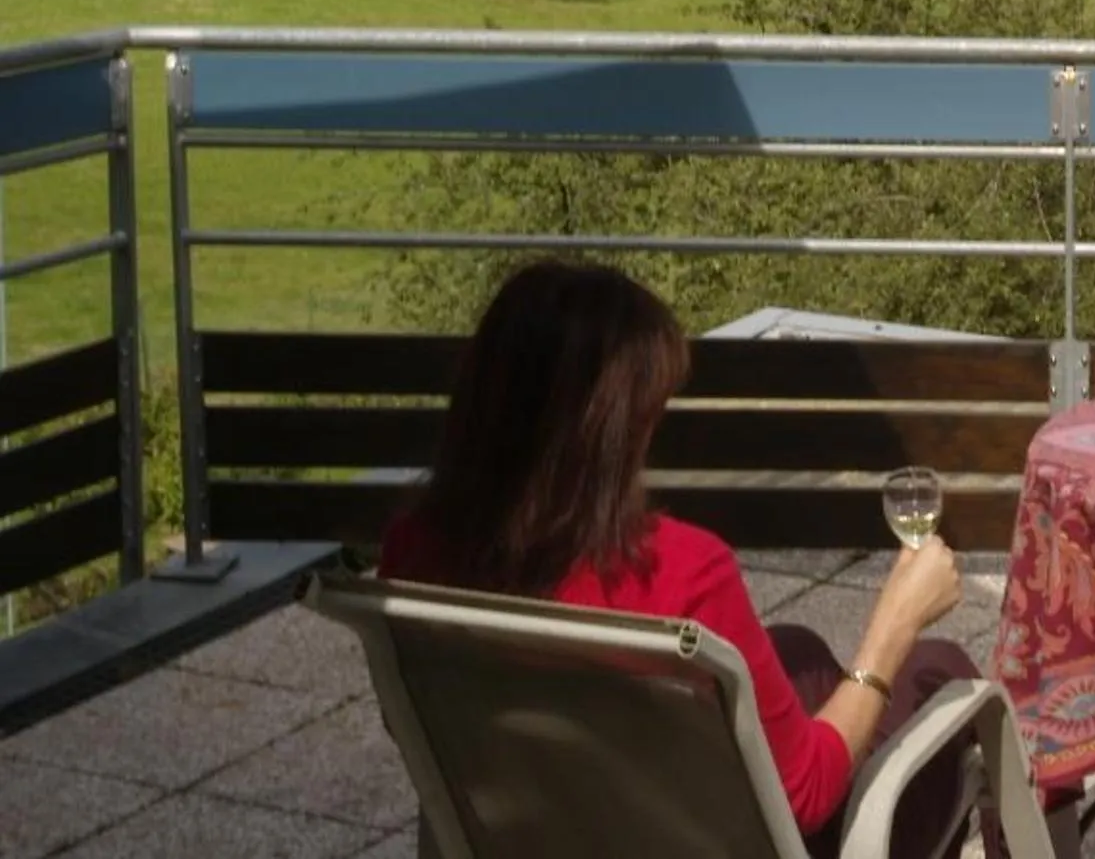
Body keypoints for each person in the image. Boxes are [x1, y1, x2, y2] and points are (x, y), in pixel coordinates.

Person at [380, 262, 999, 859]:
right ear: (612, 431)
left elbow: (414, 725)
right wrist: (893, 628)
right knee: (938, 669)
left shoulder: (413, 552)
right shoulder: (683, 571)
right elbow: (806, 795)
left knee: (800, 654)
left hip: (545, 830)